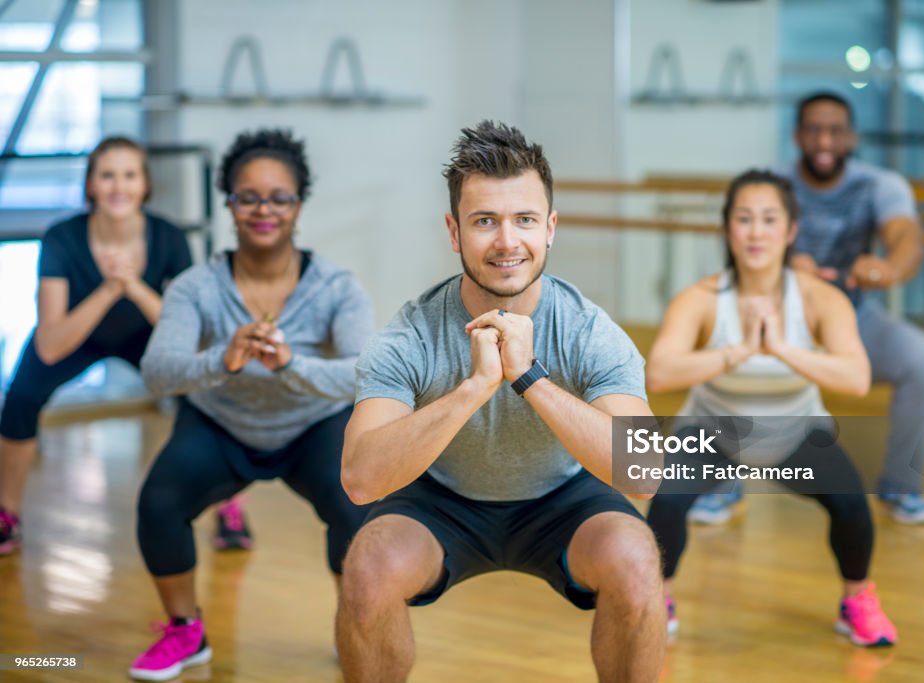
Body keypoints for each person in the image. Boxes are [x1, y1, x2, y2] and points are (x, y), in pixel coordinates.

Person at [337, 121, 666, 683]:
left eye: (525, 220)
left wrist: (528, 377)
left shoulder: (589, 330)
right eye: (485, 220)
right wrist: (474, 388)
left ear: (550, 228)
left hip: (562, 497)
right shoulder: (411, 334)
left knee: (636, 560)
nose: (507, 241)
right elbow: (361, 480)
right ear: (454, 231)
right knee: (367, 568)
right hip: (443, 499)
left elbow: (646, 474)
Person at [129, 129, 374, 681]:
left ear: (298, 206)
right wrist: (224, 358)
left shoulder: (336, 285)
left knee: (359, 509)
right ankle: (185, 633)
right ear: (231, 204)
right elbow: (157, 370)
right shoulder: (195, 287)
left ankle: (355, 622)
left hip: (312, 424)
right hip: (221, 423)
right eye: (249, 197)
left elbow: (365, 374)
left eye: (278, 197)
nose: (264, 209)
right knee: (158, 504)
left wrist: (291, 364)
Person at [644, 170, 898, 647]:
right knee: (666, 502)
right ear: (727, 229)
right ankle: (659, 598)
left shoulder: (821, 299)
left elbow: (857, 378)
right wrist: (737, 351)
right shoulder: (700, 299)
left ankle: (857, 600)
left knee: (851, 508)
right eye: (744, 219)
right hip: (714, 429)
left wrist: (781, 348)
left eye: (768, 219)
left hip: (796, 431)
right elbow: (659, 373)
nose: (756, 232)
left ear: (790, 230)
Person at [692, 91, 924, 526]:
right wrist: (787, 267)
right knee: (724, 352)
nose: (824, 141)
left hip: (854, 318)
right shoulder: (771, 182)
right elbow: (739, 242)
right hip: (775, 318)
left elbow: (907, 238)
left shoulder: (879, 185)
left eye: (834, 131)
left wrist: (885, 269)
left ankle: (901, 487)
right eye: (813, 130)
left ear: (851, 137)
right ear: (797, 136)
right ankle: (721, 484)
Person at [0, 136, 217, 556]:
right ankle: (7, 513)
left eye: (129, 175)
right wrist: (108, 288)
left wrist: (134, 288)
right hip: (79, 332)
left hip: (146, 332)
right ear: (91, 185)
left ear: (145, 185)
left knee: (212, 392)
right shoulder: (62, 238)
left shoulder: (169, 238)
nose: (119, 186)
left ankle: (228, 506)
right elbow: (50, 344)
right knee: (22, 397)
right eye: (107, 175)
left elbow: (187, 333)